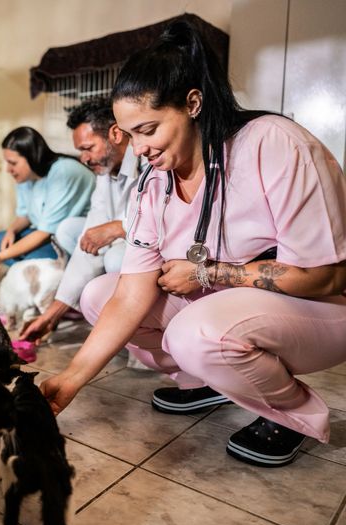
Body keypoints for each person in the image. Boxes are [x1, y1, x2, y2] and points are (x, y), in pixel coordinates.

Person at [40, 19, 346, 468]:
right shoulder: (154, 181)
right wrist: (70, 379)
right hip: (228, 305)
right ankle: (208, 383)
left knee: (194, 332)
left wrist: (210, 272)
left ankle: (292, 415)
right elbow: (131, 293)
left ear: (193, 103)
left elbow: (328, 275)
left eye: (148, 129)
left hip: (323, 306)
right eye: (130, 134)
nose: (139, 148)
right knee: (98, 295)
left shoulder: (273, 143)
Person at [20, 97, 142, 343]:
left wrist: (120, 227)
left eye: (88, 148)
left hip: (156, 247)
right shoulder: (105, 174)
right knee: (73, 232)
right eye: (80, 151)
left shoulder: (150, 161)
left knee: (116, 257)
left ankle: (135, 331)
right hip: (128, 238)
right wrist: (52, 314)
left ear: (115, 134)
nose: (84, 158)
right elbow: (89, 239)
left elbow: (166, 221)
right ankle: (90, 302)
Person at [0, 126, 95, 274]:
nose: (8, 170)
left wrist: (1, 256)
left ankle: (25, 266)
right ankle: (24, 267)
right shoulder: (26, 177)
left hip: (67, 240)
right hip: (42, 234)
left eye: (13, 163)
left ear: (32, 157)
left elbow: (45, 232)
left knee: (21, 258)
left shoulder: (64, 172)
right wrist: (12, 230)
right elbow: (24, 215)